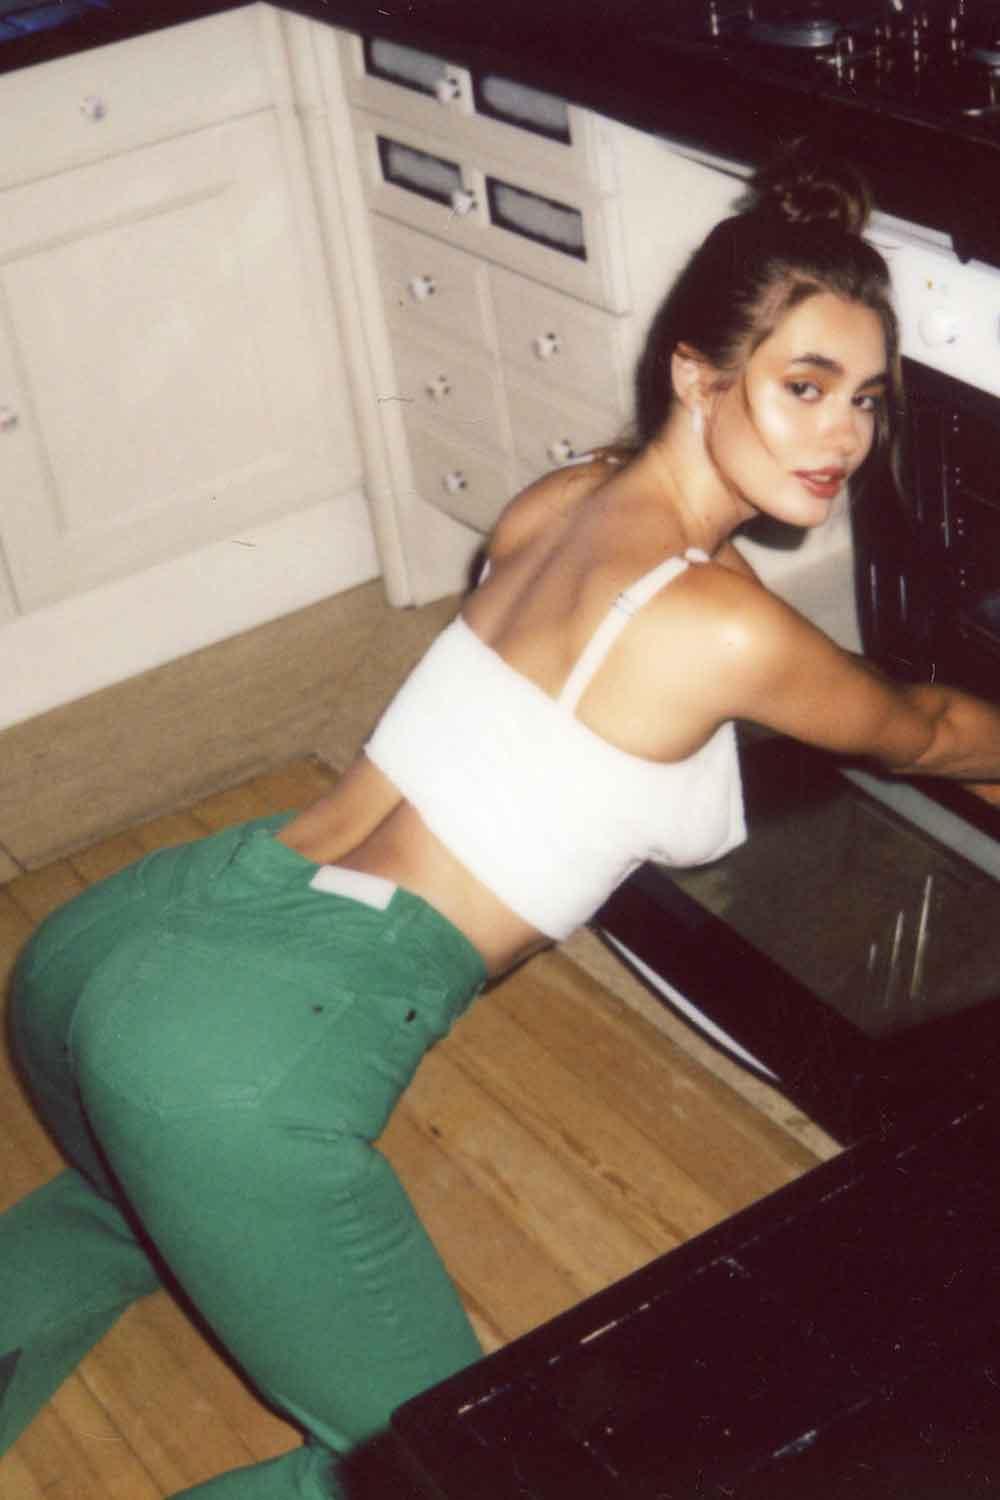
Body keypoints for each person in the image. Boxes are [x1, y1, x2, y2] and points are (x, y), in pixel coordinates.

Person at [4, 140, 1000, 1498]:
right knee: (436, 1477)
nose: (845, 439)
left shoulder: (561, 498)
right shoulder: (723, 627)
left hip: (124, 937)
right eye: (806, 387)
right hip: (240, 1050)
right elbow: (928, 729)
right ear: (697, 377)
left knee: (127, 1202)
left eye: (868, 402)